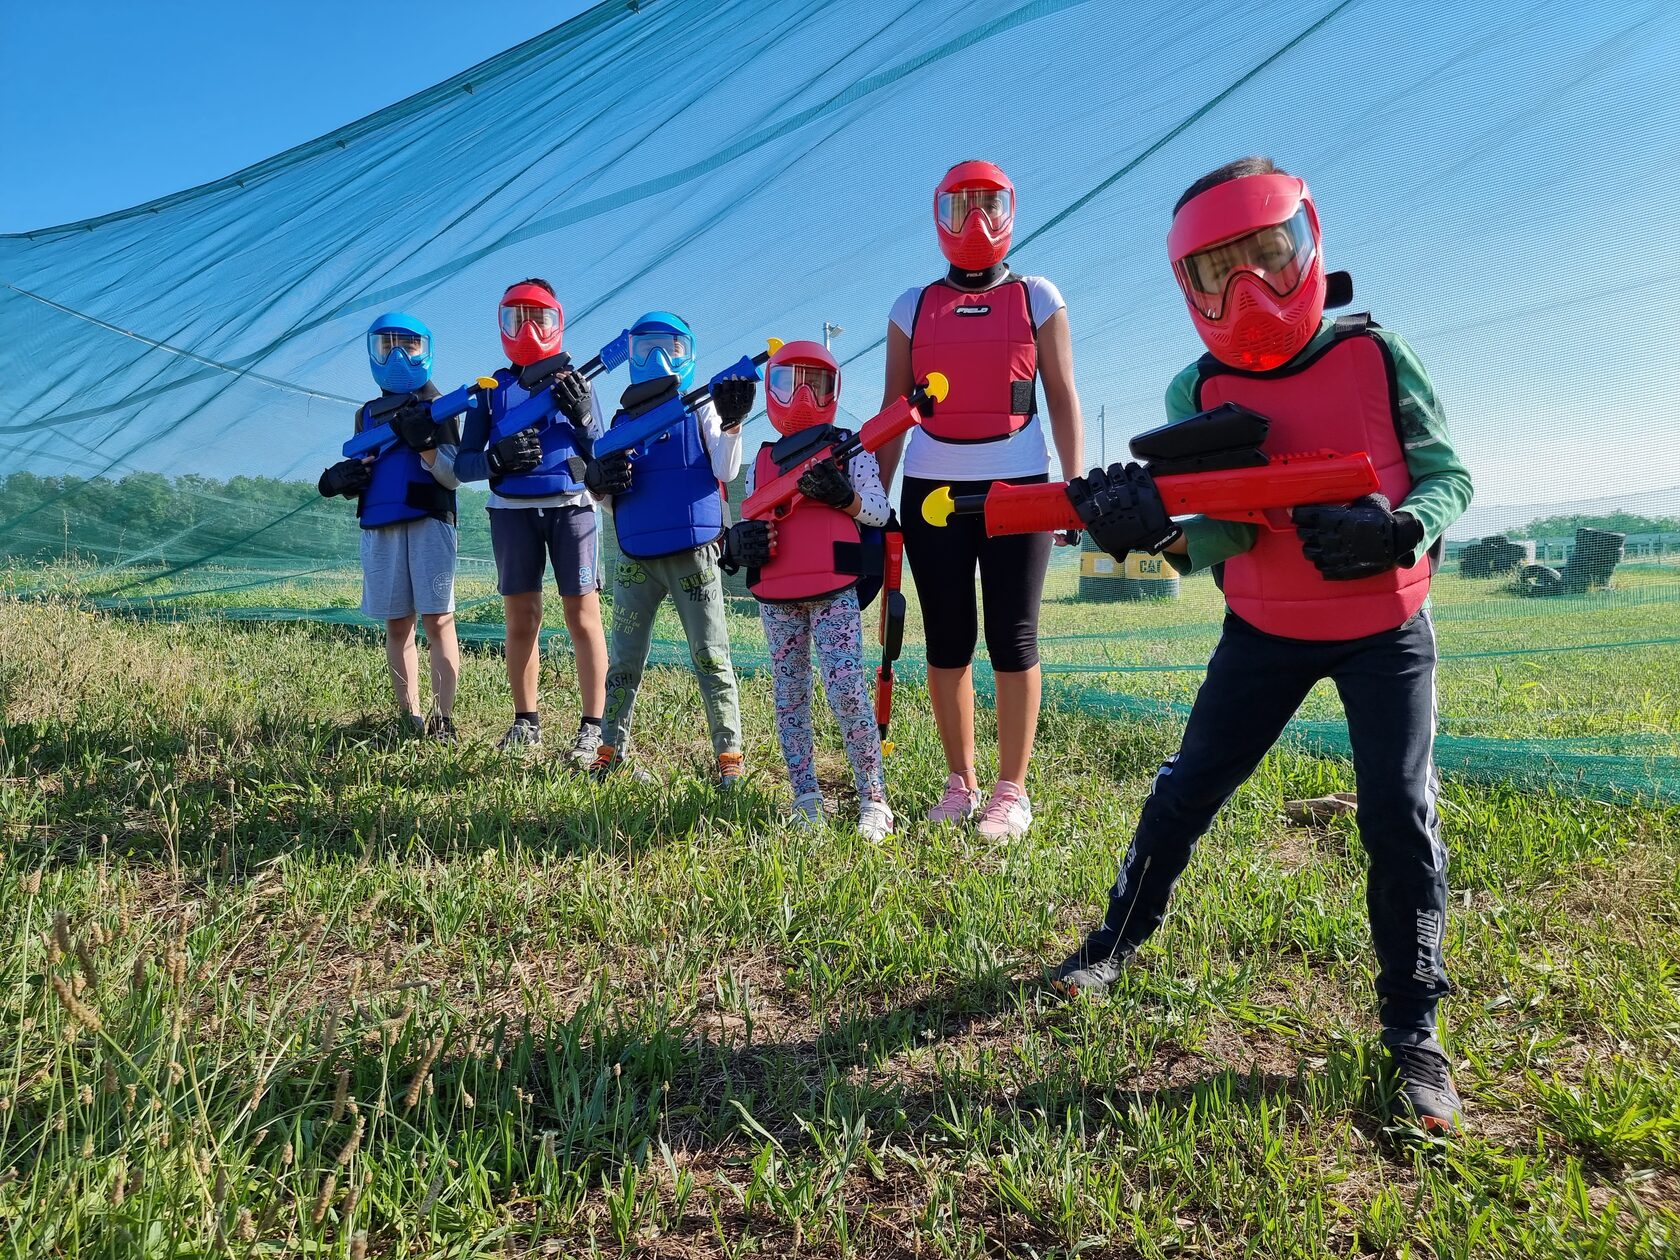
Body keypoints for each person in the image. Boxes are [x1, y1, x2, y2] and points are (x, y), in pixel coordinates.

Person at [1051, 157, 1475, 1133]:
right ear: (1186, 286)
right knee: (1189, 785)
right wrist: (1145, 532)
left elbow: (1449, 475)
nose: (1248, 288)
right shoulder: (1195, 389)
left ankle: (1415, 1033)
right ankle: (1112, 943)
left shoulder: (1375, 355)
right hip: (1265, 629)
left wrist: (1401, 529)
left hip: (1386, 630)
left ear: (1308, 238)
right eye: (1216, 270)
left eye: (1267, 253)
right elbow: (1220, 535)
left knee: (1399, 816)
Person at [876, 160, 1085, 838]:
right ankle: (960, 781)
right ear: (937, 213)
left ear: (1012, 210)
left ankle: (1011, 790)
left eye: (990, 204)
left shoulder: (1039, 296)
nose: (976, 221)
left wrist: (1072, 489)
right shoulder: (910, 305)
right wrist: (872, 506)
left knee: (1013, 637)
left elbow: (1061, 395)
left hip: (1020, 485)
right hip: (930, 486)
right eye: (961, 205)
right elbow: (892, 412)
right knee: (947, 640)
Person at [431, 279, 610, 767]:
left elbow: (603, 453)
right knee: (521, 620)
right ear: (502, 323)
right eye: (516, 317)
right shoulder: (492, 390)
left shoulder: (578, 382)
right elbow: (464, 466)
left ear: (558, 321)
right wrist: (496, 460)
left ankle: (594, 727)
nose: (528, 329)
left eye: (540, 317)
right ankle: (525, 722)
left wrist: (582, 418)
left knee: (583, 617)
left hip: (572, 507)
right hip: (511, 511)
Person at [721, 340, 894, 838]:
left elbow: (880, 513)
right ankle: (805, 797)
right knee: (789, 695)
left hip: (833, 587)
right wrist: (739, 543)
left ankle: (873, 799)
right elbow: (753, 515)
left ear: (833, 391)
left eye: (815, 385)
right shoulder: (763, 458)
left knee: (846, 689)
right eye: (788, 383)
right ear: (770, 390)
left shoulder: (851, 447)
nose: (802, 397)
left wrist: (846, 497)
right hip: (778, 592)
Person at [583, 312, 756, 786]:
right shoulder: (618, 425)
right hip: (636, 561)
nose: (659, 358)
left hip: (694, 556)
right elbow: (607, 496)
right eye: (646, 348)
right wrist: (596, 481)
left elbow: (724, 468)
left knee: (711, 656)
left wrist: (734, 422)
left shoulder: (700, 408)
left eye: (672, 348)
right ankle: (610, 747)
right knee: (624, 660)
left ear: (690, 353)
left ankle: (729, 756)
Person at [317, 311, 462, 740]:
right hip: (380, 525)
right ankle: (409, 717)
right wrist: (348, 478)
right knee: (398, 624)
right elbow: (365, 465)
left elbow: (454, 475)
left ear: (427, 351)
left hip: (430, 521)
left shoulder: (443, 407)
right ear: (373, 352)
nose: (398, 354)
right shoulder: (367, 416)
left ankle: (443, 721)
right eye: (387, 345)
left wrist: (427, 445)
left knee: (438, 621)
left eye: (410, 344)